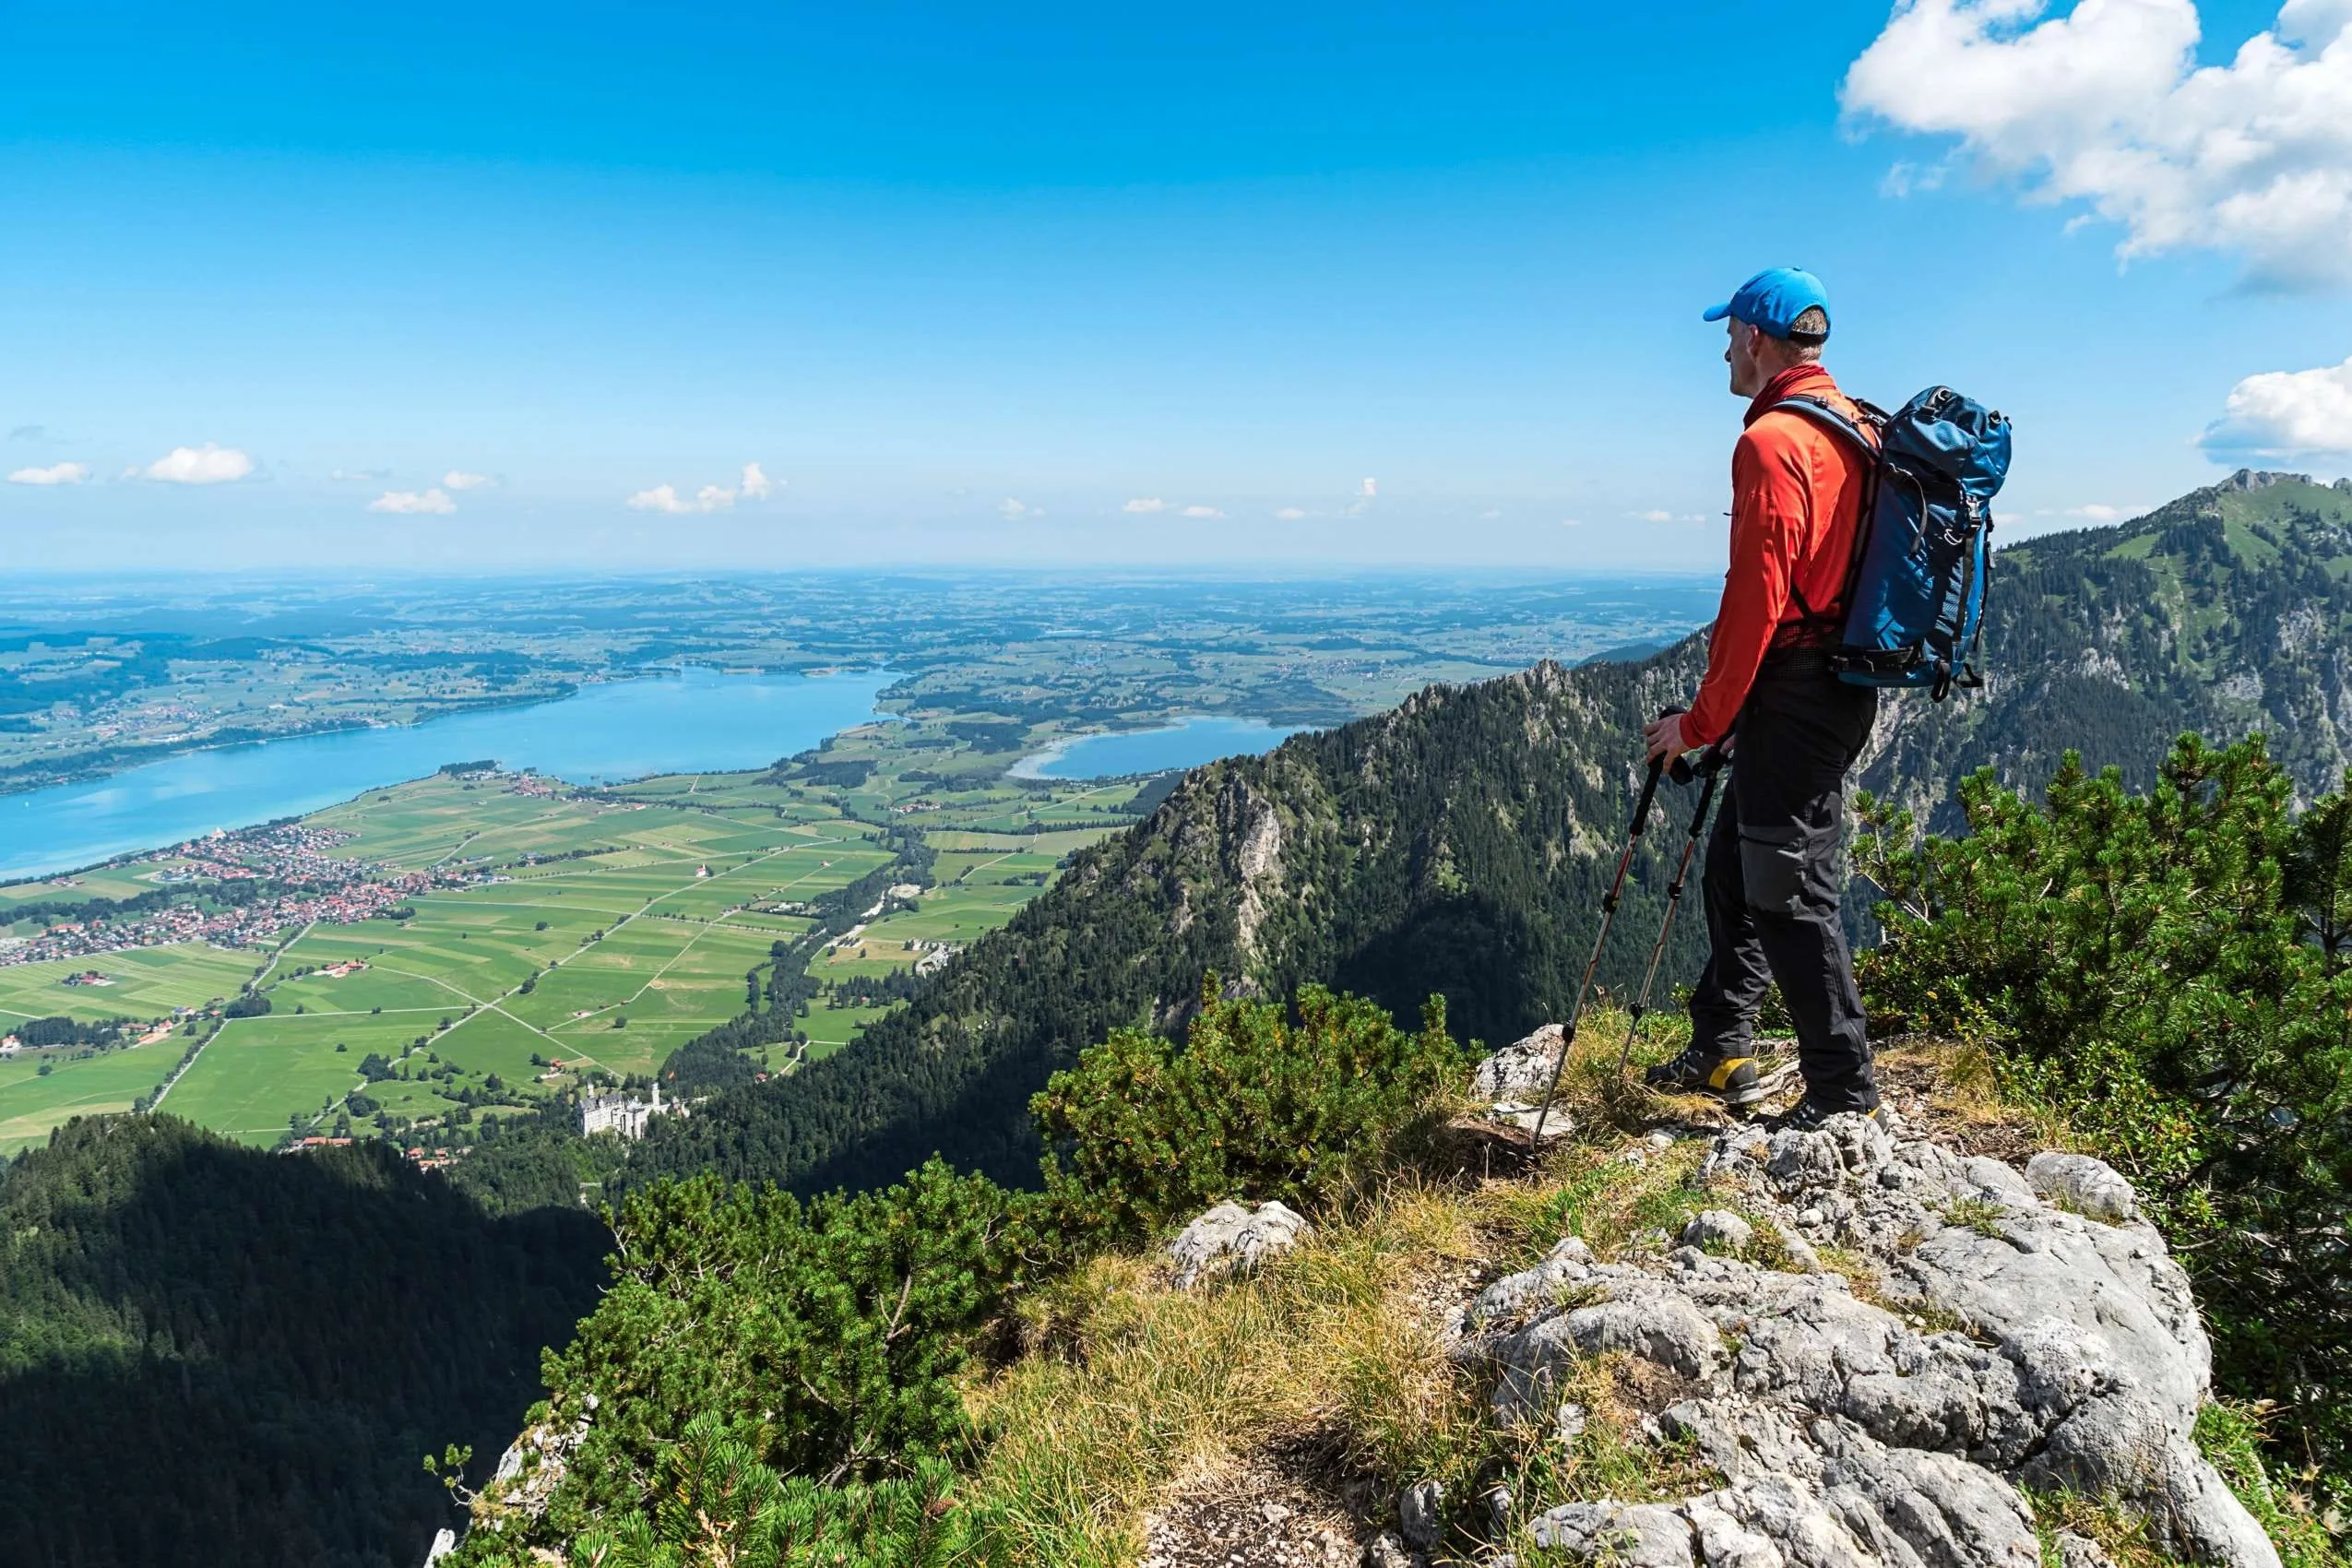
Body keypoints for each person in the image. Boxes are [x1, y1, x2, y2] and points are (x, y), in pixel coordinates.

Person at [1638, 266, 1883, 1130]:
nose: (1723, 347)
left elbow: (1758, 595)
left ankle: (1842, 1094)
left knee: (1787, 886)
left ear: (1758, 336)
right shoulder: (1855, 427)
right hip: (1836, 685)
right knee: (1738, 867)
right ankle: (1721, 1041)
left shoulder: (1775, 441)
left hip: (1797, 689)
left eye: (1730, 331)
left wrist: (1704, 721)